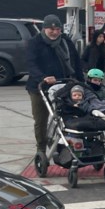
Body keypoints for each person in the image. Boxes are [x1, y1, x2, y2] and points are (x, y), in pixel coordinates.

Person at [26, 14, 83, 154]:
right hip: (39, 87)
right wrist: (43, 77)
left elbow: (76, 62)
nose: (55, 32)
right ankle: (41, 147)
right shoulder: (35, 43)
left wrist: (81, 82)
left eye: (57, 29)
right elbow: (31, 64)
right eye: (51, 29)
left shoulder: (65, 41)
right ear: (44, 28)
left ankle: (65, 143)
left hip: (63, 84)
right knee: (41, 119)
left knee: (65, 116)